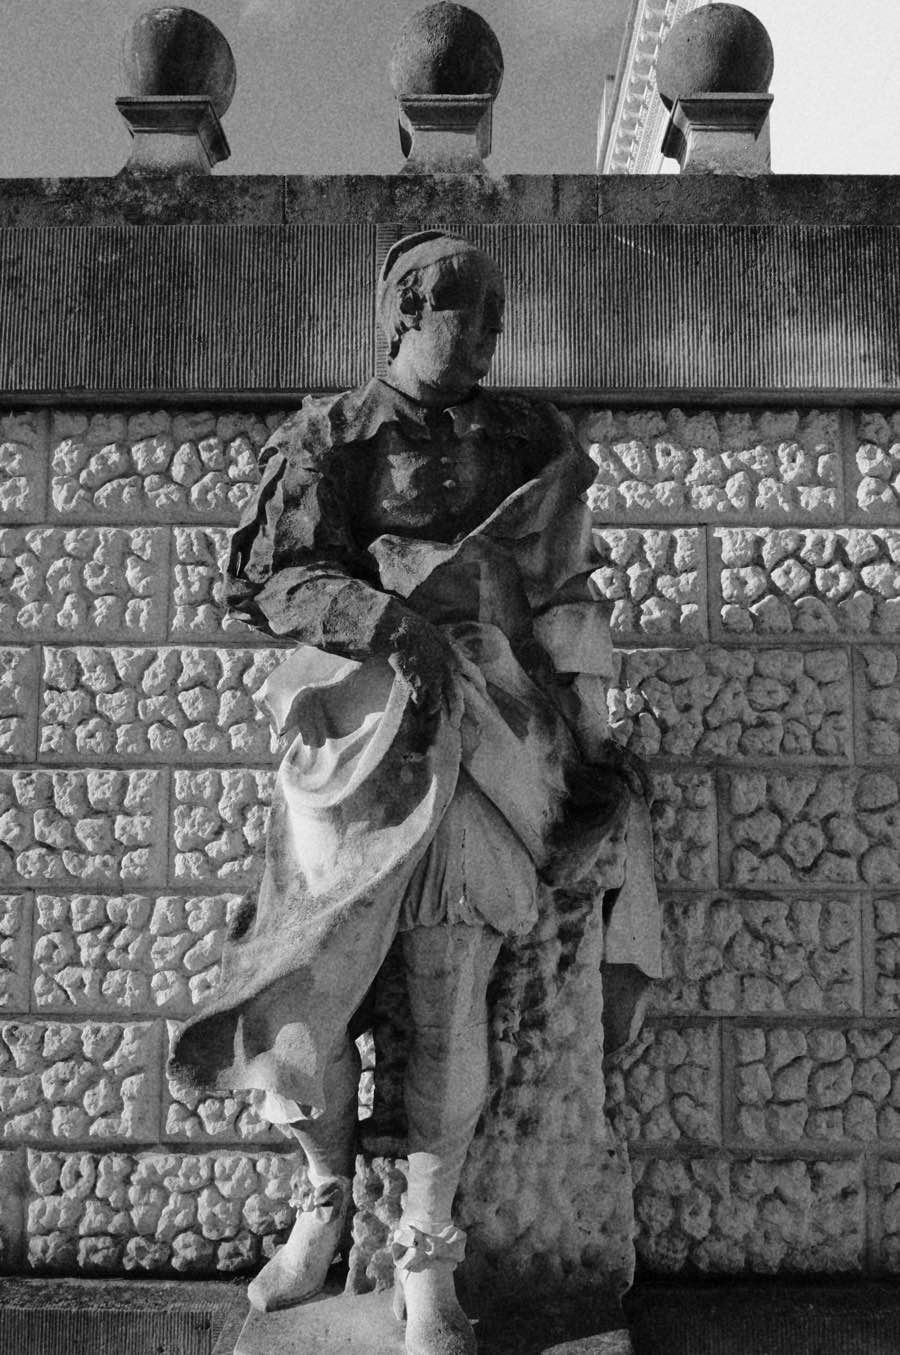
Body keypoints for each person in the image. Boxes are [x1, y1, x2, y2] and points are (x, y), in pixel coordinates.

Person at [170, 231, 660, 1355]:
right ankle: (322, 1204)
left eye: (495, 318)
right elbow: (271, 575)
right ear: (406, 311)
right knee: (304, 995)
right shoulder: (331, 435)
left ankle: (426, 1253)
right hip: (357, 729)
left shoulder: (530, 439)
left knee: (451, 992)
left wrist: (594, 721)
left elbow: (566, 589)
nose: (487, 337)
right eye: (466, 314)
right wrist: (388, 621)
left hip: (489, 733)